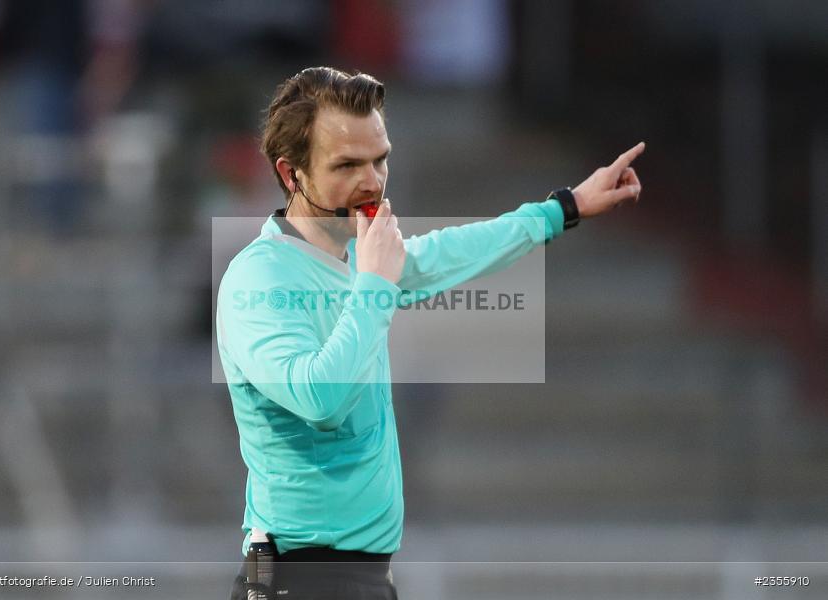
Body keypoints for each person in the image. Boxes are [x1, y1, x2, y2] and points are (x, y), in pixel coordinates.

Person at [216, 66, 644, 599]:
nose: (371, 180)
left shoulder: (354, 254)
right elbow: (320, 397)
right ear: (291, 174)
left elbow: (450, 253)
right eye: (347, 164)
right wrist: (374, 284)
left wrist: (566, 207)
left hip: (361, 578)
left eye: (380, 159)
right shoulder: (258, 279)